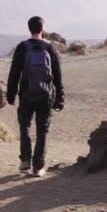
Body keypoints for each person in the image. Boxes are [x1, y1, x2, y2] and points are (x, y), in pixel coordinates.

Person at [7, 16, 64, 177]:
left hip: (26, 94)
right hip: (46, 95)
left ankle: (25, 160)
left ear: (29, 29)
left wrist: (11, 95)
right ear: (42, 29)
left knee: (24, 127)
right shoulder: (50, 48)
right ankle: (38, 167)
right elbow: (58, 76)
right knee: (42, 131)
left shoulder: (22, 47)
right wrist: (60, 98)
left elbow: (14, 74)